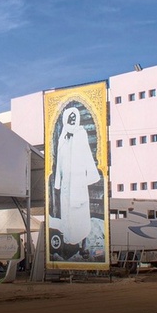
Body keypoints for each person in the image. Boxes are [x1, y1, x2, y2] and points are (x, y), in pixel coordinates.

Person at [52, 106, 101, 249]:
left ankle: (82, 240)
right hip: (66, 185)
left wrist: (90, 175)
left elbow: (87, 154)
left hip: (78, 183)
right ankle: (69, 239)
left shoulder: (81, 133)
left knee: (79, 214)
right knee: (67, 213)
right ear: (66, 119)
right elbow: (59, 162)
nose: (72, 120)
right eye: (70, 117)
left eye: (74, 117)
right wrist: (58, 183)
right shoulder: (63, 137)